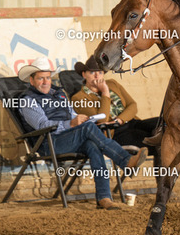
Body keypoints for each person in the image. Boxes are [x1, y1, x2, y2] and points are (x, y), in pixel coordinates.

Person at [17, 57, 147, 210]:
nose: (45, 82)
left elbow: (71, 114)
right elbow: (42, 125)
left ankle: (104, 197)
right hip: (48, 143)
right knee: (88, 129)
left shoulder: (59, 93)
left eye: (48, 77)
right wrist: (71, 124)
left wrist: (82, 119)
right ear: (31, 80)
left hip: (68, 138)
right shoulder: (27, 100)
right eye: (40, 78)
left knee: (92, 144)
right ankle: (125, 161)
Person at [70, 56, 159, 154]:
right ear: (84, 74)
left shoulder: (112, 83)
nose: (97, 76)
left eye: (100, 72)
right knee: (155, 145)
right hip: (115, 132)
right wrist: (105, 93)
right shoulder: (78, 98)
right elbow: (101, 119)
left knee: (163, 124)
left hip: (131, 122)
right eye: (92, 72)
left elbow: (132, 105)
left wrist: (120, 120)